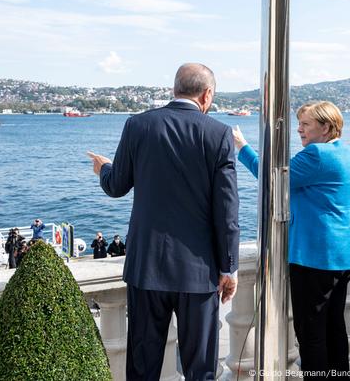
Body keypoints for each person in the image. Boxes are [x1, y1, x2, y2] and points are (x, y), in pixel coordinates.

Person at [87, 63, 239, 379]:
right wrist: (229, 267)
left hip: (146, 269)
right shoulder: (218, 134)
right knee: (201, 369)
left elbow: (116, 186)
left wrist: (103, 168)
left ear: (174, 89)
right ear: (207, 94)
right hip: (199, 272)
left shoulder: (138, 125)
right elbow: (227, 212)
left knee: (143, 368)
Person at [233, 101, 350, 380]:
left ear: (326, 127)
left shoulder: (316, 155)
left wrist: (242, 146)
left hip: (316, 257)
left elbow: (271, 178)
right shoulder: (349, 154)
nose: (299, 130)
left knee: (311, 333)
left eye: (305, 124)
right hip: (346, 254)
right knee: (334, 327)